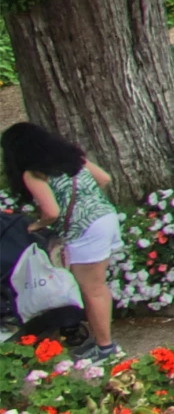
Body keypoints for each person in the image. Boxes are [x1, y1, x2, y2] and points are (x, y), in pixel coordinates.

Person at [4, 122, 120, 363]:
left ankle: (106, 348)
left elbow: (52, 212)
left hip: (84, 230)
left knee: (93, 290)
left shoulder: (33, 173)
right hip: (106, 218)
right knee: (97, 286)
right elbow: (104, 178)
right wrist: (87, 203)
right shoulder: (71, 158)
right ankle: (101, 342)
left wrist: (36, 224)